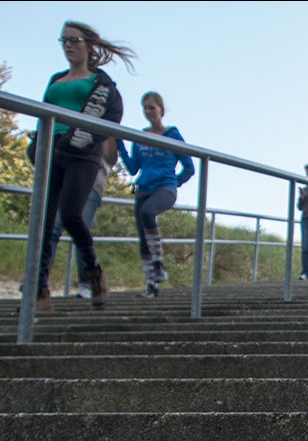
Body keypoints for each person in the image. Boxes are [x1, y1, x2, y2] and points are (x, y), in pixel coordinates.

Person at [32, 21, 133, 311]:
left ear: (89, 46)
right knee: (44, 224)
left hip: (83, 152)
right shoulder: (56, 79)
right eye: (63, 40)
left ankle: (94, 274)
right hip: (52, 152)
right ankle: (38, 291)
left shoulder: (101, 84)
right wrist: (36, 146)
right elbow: (42, 115)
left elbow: (111, 117)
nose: (67, 45)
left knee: (72, 215)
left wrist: (94, 142)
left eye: (73, 40)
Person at [117, 91, 195, 298]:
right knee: (143, 237)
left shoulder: (173, 135)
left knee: (147, 213)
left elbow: (189, 167)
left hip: (165, 189)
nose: (148, 111)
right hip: (142, 189)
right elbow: (134, 168)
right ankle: (151, 286)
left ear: (161, 109)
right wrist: (120, 146)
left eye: (152, 107)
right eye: (145, 108)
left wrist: (172, 182)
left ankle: (158, 264)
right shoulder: (141, 137)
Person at [49, 138, 117, 299]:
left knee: (79, 229)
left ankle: (88, 283)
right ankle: (39, 282)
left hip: (91, 185)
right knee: (52, 229)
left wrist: (108, 131)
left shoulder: (103, 131)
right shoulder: (72, 131)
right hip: (66, 183)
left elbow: (111, 157)